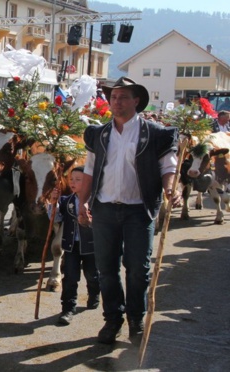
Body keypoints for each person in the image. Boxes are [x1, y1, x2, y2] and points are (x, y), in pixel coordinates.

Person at [78, 77, 181, 345]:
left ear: (136, 101)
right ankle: (113, 319)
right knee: (106, 269)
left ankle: (136, 318)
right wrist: (83, 202)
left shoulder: (156, 134)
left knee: (138, 268)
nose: (117, 102)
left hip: (139, 211)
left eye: (123, 97)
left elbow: (168, 167)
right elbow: (90, 169)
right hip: (105, 209)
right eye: (113, 97)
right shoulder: (99, 134)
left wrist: (171, 189)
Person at [48, 166, 100, 326]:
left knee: (92, 274)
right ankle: (68, 309)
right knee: (70, 277)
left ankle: (94, 293)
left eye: (78, 180)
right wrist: (53, 203)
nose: (73, 182)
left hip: (91, 246)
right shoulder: (66, 201)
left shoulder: (96, 201)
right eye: (71, 179)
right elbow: (54, 218)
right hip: (71, 246)